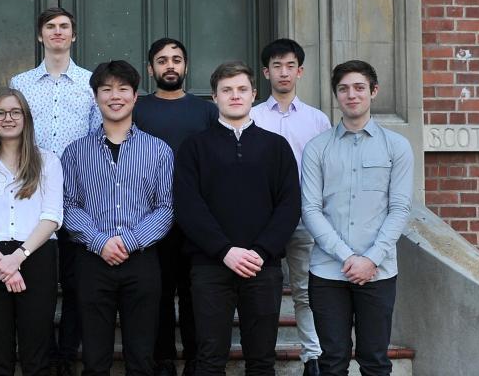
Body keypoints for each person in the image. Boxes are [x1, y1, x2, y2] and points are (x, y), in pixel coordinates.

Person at [174, 62, 301, 376]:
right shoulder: (195, 147)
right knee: (209, 360)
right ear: (214, 97)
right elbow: (188, 206)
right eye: (226, 90)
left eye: (242, 89)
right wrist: (224, 251)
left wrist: (260, 251)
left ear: (254, 94)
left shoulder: (276, 147)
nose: (235, 96)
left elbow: (289, 205)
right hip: (209, 267)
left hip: (263, 267)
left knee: (261, 361)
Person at [301, 60, 413, 376]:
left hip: (378, 272)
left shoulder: (397, 147)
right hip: (327, 272)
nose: (352, 95)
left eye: (359, 87)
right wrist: (348, 256)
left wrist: (371, 259)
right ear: (336, 95)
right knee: (332, 360)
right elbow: (309, 209)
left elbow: (400, 209)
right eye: (344, 89)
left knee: (375, 360)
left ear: (373, 91)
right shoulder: (316, 148)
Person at [62, 60, 174, 376]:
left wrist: (128, 241)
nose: (115, 96)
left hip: (141, 260)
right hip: (91, 261)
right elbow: (69, 206)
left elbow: (165, 207)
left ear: (135, 96)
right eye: (107, 89)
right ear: (96, 96)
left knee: (141, 357)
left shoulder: (158, 151)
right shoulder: (75, 152)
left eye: (123, 89)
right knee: (95, 358)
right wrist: (100, 242)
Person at [10, 7, 101, 374]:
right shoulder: (21, 84)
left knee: (79, 283)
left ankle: (67, 353)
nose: (58, 32)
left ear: (74, 35)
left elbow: (98, 136)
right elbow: (12, 133)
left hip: (81, 196)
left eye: (64, 27)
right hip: (33, 194)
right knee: (38, 284)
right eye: (51, 27)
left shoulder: (92, 83)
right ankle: (42, 352)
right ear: (40, 35)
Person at [133, 37, 219, 376]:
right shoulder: (138, 109)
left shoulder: (206, 110)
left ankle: (197, 358)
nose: (170, 65)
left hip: (197, 217)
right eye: (162, 60)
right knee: (159, 291)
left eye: (177, 59)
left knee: (196, 291)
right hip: (150, 217)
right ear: (150, 68)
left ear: (186, 66)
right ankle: (164, 358)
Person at [0, 89, 64, 376]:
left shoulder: (47, 162)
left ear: (26, 118)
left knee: (37, 354)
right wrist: (1, 261)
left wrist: (17, 258)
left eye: (15, 112)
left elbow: (52, 217)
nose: (8, 118)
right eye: (1, 112)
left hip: (35, 257)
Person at [248, 39, 331, 376]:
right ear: (266, 72)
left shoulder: (317, 120)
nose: (284, 73)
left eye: (290, 66)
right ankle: (258, 356)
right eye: (276, 66)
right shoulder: (250, 115)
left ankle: (313, 357)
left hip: (303, 218)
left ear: (301, 71)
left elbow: (327, 170)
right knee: (255, 291)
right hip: (258, 220)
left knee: (305, 290)